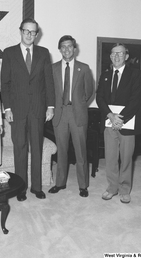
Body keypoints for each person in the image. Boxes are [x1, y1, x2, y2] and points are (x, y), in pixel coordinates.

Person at [1, 18, 55, 201]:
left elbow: (48, 81)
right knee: (20, 148)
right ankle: (21, 188)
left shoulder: (43, 53)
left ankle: (37, 187)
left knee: (37, 148)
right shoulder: (9, 53)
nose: (30, 35)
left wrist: (50, 106)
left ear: (37, 34)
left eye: (33, 32)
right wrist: (7, 108)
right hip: (17, 110)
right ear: (21, 31)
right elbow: (5, 84)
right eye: (26, 31)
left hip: (38, 110)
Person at [96, 43, 141, 204]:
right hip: (109, 123)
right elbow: (99, 98)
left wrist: (120, 118)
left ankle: (125, 189)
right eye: (113, 54)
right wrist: (110, 115)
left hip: (127, 123)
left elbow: (135, 100)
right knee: (110, 158)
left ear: (126, 56)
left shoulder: (135, 74)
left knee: (126, 158)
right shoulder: (105, 75)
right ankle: (112, 188)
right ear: (110, 56)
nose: (116, 57)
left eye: (120, 54)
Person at [48, 35, 94, 198]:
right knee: (61, 151)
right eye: (63, 46)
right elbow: (50, 92)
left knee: (81, 151)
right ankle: (60, 183)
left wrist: (80, 105)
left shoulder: (84, 68)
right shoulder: (52, 68)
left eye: (69, 46)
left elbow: (90, 92)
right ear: (59, 49)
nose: (66, 49)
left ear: (75, 49)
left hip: (78, 114)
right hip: (60, 115)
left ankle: (83, 185)